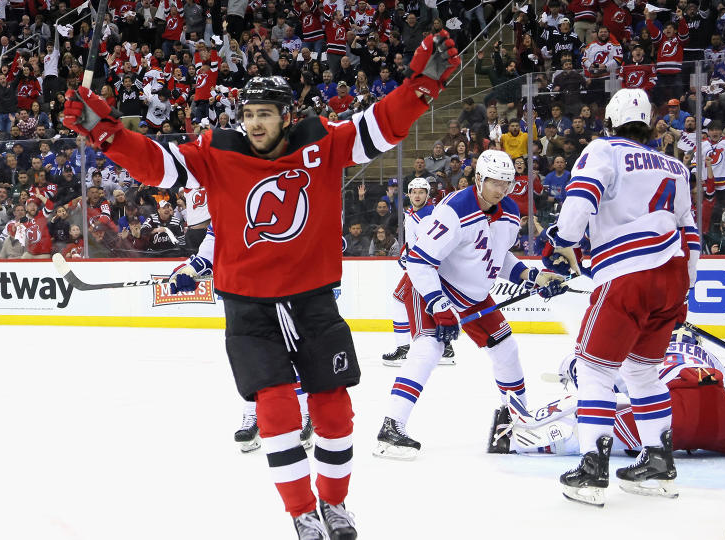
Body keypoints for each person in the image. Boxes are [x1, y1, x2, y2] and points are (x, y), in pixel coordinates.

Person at [63, 30, 461, 540]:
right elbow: (159, 165)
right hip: (248, 307)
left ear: (286, 117)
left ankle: (335, 505)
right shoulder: (217, 151)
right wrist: (108, 134)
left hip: (312, 299)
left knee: (333, 407)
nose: (253, 123)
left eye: (265, 114)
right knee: (274, 406)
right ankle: (300, 512)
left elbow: (382, 125)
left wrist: (419, 88)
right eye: (248, 114)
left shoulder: (322, 143)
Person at [544, 88, 700, 506]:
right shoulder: (674, 164)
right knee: (643, 372)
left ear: (610, 120)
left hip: (628, 270)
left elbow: (580, 199)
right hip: (672, 275)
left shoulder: (603, 149)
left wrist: (563, 241)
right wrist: (685, 285)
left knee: (593, 369)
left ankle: (593, 467)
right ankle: (658, 462)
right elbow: (690, 229)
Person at [373, 149, 567, 461]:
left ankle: (515, 420)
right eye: (495, 182)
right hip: (434, 286)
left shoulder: (510, 212)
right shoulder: (454, 210)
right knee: (428, 349)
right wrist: (438, 305)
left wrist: (533, 277)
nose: (502, 189)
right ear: (478, 178)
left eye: (507, 182)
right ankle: (391, 427)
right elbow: (420, 261)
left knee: (507, 350)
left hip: (474, 296)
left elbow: (499, 255)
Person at [497, 327, 725, 457]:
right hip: (721, 416)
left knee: (593, 419)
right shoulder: (709, 357)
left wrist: (572, 369)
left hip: (668, 416)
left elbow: (602, 381)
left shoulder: (651, 351)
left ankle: (519, 438)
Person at [168, 224, 314, 453]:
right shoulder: (224, 209)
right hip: (240, 296)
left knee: (291, 354)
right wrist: (188, 270)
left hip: (283, 290)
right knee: (248, 359)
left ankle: (305, 412)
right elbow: (208, 251)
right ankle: (252, 415)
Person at [381, 177, 455, 366]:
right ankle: (445, 347)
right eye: (414, 192)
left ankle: (407, 348)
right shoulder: (413, 213)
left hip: (424, 266)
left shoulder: (428, 216)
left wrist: (412, 257)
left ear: (427, 194)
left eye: (421, 192)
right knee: (414, 300)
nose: (417, 195)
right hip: (417, 264)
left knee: (404, 299)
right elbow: (414, 241)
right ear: (408, 194)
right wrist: (406, 251)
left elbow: (430, 245)